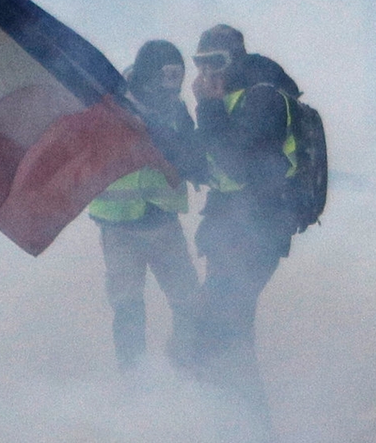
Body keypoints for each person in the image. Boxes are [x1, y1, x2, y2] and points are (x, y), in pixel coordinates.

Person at [188, 24, 298, 420]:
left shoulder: (263, 97)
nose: (207, 72)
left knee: (227, 331)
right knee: (215, 329)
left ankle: (250, 431)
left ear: (235, 58)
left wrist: (209, 107)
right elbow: (206, 162)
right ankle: (231, 424)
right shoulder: (229, 97)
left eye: (216, 62)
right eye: (200, 63)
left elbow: (239, 164)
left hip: (258, 232)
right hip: (228, 231)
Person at [88, 40, 199, 370]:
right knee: (128, 307)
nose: (171, 89)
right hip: (118, 227)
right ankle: (135, 378)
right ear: (149, 77)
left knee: (188, 301)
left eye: (176, 80)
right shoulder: (110, 106)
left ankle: (183, 365)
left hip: (163, 222)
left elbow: (189, 154)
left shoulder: (175, 108)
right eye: (166, 80)